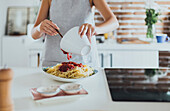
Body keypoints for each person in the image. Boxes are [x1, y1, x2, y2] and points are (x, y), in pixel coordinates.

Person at [31, 0, 119, 67]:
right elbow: (34, 34)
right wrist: (40, 28)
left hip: (84, 61)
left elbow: (114, 22)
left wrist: (96, 29)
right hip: (53, 63)